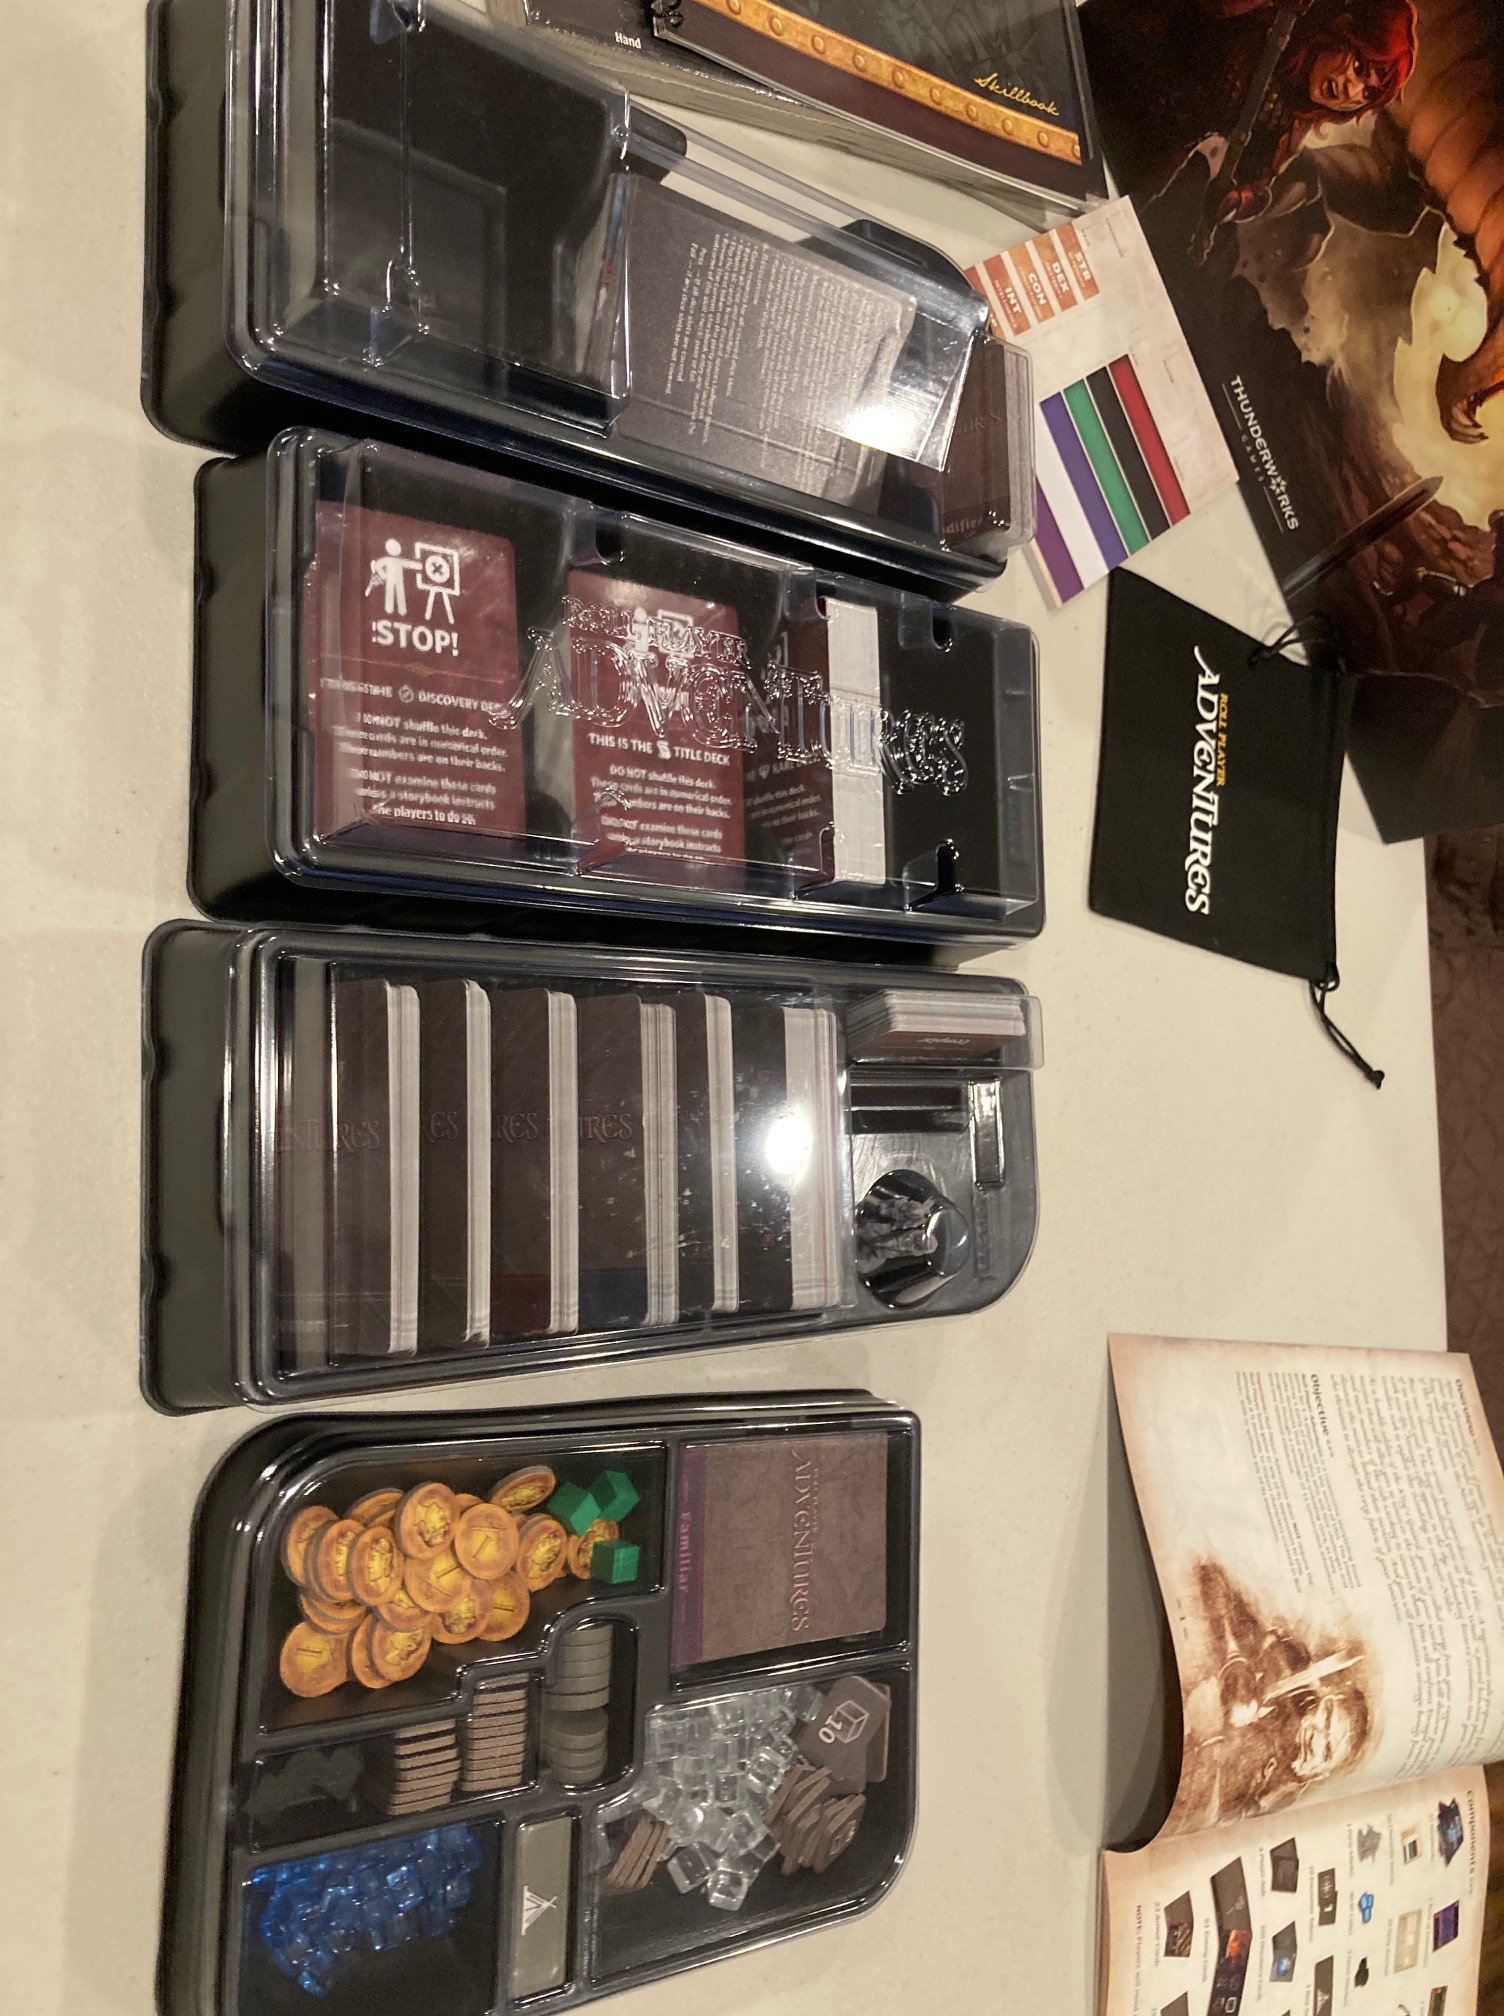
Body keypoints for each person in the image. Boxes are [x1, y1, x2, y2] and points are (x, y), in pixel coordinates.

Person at [1081, 0, 1417, 231]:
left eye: (1368, 93)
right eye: (1358, 66)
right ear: (1341, 28)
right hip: (1111, 61)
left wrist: (1238, 201)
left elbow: (1256, 179)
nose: (1351, 90)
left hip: (1139, 154)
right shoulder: (1274, 18)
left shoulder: (1292, 118)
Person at [1175, 1561, 1372, 1826]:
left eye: (1326, 1749)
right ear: (1323, 1699)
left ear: (1322, 1773)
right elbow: (1211, 1576)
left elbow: (1203, 1819)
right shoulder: (1287, 1667)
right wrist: (1235, 1658)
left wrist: (1210, 1736)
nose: (1315, 1731)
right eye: (1325, 1716)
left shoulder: (1277, 1793)